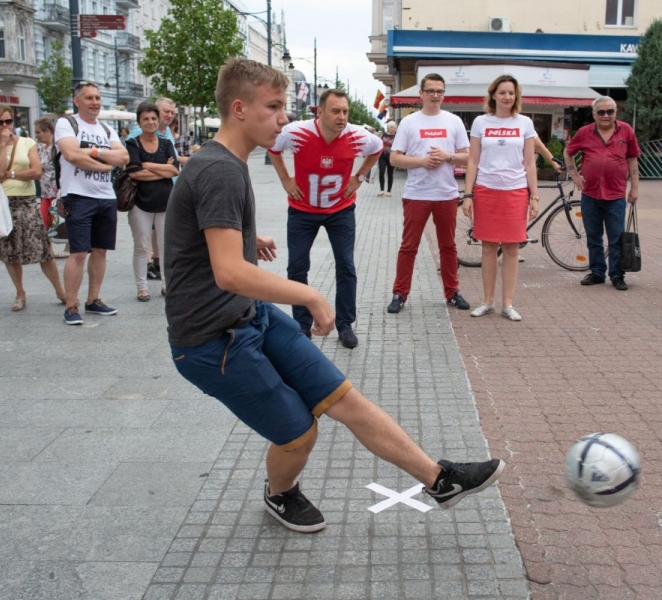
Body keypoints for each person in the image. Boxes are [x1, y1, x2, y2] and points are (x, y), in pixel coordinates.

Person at [164, 57, 504, 533]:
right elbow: (228, 273)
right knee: (300, 432)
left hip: (250, 316)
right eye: (273, 106)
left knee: (346, 399)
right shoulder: (218, 169)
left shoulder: (228, 163)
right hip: (210, 341)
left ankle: (440, 480)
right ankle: (280, 493)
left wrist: (249, 238)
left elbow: (212, 241)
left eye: (283, 106)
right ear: (239, 109)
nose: (284, 117)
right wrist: (309, 295)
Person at [268, 89, 382, 349]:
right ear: (320, 112)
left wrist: (359, 176)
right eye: (335, 111)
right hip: (302, 210)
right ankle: (301, 324)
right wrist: (285, 179)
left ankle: (345, 324)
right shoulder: (297, 132)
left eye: (345, 111)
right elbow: (273, 148)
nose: (342, 117)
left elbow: (377, 148)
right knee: (297, 267)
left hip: (340, 210)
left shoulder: (357, 136)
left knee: (346, 266)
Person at [387, 73, 471, 314]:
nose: (435, 95)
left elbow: (468, 157)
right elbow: (394, 158)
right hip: (417, 193)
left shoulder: (453, 121)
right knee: (408, 246)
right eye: (431, 91)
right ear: (421, 94)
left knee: (448, 246)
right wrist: (422, 161)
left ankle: (452, 292)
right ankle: (399, 293)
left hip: (446, 194)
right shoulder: (409, 122)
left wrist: (448, 156)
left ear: (444, 94)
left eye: (440, 91)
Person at [462, 75, 538, 322]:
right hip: (486, 190)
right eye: (502, 92)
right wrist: (468, 194)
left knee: (512, 248)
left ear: (516, 96)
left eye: (511, 93)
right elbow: (473, 160)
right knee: (488, 247)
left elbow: (529, 162)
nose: (507, 97)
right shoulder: (481, 122)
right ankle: (487, 301)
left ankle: (508, 303)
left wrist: (534, 196)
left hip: (516, 191)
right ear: (493, 95)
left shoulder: (525, 123)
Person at [55, 82, 130, 325]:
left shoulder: (106, 129)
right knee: (78, 252)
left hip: (106, 197)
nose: (95, 102)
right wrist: (105, 164)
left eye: (97, 98)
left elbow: (123, 157)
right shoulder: (67, 123)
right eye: (89, 98)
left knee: (100, 250)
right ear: (77, 101)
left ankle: (93, 300)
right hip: (78, 196)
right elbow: (71, 155)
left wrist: (93, 152)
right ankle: (71, 306)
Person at [0, 105, 65, 311]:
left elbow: (36, 172)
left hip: (26, 201)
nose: (5, 126)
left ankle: (60, 290)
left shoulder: (28, 143)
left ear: (14, 121)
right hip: (3, 203)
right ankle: (20, 293)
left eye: (8, 121)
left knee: (43, 249)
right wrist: (3, 146)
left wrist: (10, 174)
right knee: (9, 252)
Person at [563, 96, 640, 291]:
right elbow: (568, 152)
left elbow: (632, 160)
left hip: (616, 195)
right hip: (590, 194)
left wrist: (635, 188)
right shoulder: (584, 132)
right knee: (593, 237)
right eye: (601, 112)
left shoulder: (626, 131)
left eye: (610, 111)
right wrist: (574, 174)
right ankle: (597, 272)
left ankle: (617, 275)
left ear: (615, 113)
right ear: (594, 114)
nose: (606, 116)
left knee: (616, 238)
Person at [126, 102, 180, 302]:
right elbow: (134, 172)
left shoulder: (166, 143)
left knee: (166, 246)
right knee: (141, 246)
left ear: (158, 121)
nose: (150, 122)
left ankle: (167, 285)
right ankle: (142, 288)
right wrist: (162, 169)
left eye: (153, 118)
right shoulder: (133, 143)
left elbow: (174, 170)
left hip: (166, 202)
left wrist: (147, 164)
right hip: (140, 203)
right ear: (139, 122)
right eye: (146, 119)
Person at [34, 116, 69, 259]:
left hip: (57, 190)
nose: (37, 135)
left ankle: (68, 247)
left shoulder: (58, 147)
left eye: (39, 132)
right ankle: (49, 250)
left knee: (62, 219)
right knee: (44, 220)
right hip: (45, 191)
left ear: (48, 131)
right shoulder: (39, 148)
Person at [377, 121, 397, 196]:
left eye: (394, 128)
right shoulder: (383, 135)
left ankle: (389, 191)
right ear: (388, 128)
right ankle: (382, 190)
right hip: (382, 156)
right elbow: (378, 143)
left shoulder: (397, 137)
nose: (393, 129)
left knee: (390, 173)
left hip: (392, 156)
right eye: (391, 127)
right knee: (381, 172)